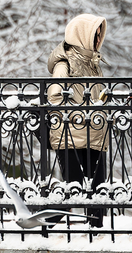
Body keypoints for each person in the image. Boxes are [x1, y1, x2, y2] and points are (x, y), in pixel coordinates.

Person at [46, 13, 110, 228]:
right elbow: (55, 97)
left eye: (99, 34)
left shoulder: (93, 63)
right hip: (70, 136)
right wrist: (84, 115)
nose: (98, 38)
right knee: (73, 187)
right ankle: (44, 223)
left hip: (94, 134)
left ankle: (96, 230)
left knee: (98, 187)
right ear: (81, 35)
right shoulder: (65, 63)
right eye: (94, 34)